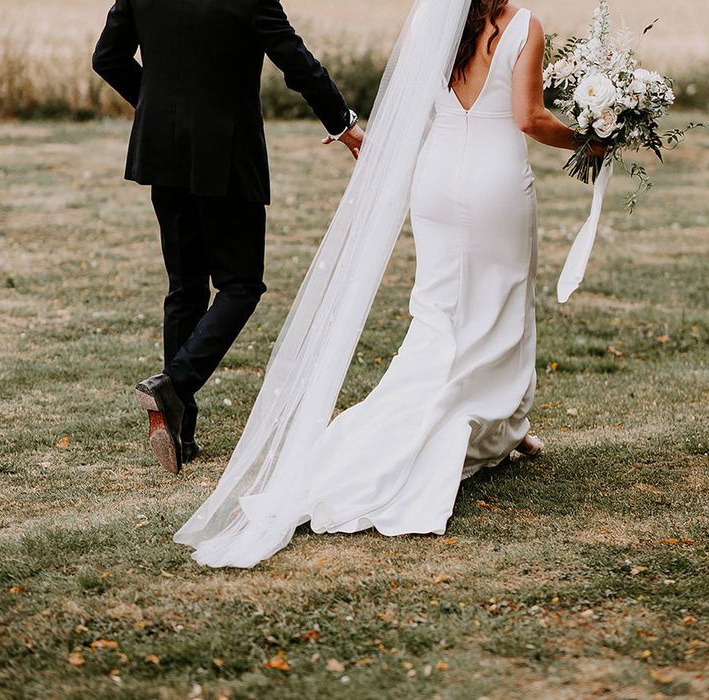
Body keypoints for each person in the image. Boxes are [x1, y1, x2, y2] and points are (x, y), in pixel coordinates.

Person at [175, 0, 606, 568]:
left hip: (434, 181)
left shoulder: (434, 24)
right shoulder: (526, 26)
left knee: (438, 309)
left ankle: (506, 424)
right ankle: (491, 418)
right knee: (501, 300)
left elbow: (415, 115)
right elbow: (529, 119)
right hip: (495, 182)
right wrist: (592, 141)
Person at [92, 0, 364, 474]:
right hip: (226, 151)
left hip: (164, 149)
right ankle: (173, 386)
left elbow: (107, 57)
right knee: (241, 285)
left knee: (186, 285)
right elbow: (295, 61)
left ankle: (180, 431)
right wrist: (343, 124)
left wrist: (159, 105)